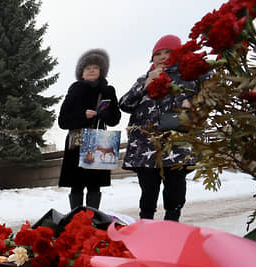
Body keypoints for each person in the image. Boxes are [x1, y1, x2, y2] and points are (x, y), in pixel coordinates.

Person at [120, 34, 197, 222]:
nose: (163, 57)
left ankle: (172, 222)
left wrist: (174, 121)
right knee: (148, 188)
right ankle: (146, 221)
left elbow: (199, 107)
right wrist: (145, 85)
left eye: (168, 52)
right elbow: (124, 104)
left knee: (175, 186)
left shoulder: (189, 79)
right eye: (158, 54)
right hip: (145, 146)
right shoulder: (143, 79)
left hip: (175, 145)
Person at [58, 49, 121, 211]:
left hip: (99, 141)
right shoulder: (75, 89)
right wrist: (82, 115)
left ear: (101, 71)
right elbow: (63, 120)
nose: (91, 70)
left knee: (94, 185)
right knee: (76, 185)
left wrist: (103, 114)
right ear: (81, 73)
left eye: (95, 67)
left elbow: (115, 119)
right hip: (77, 142)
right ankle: (75, 219)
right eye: (87, 68)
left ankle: (93, 219)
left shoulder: (108, 90)